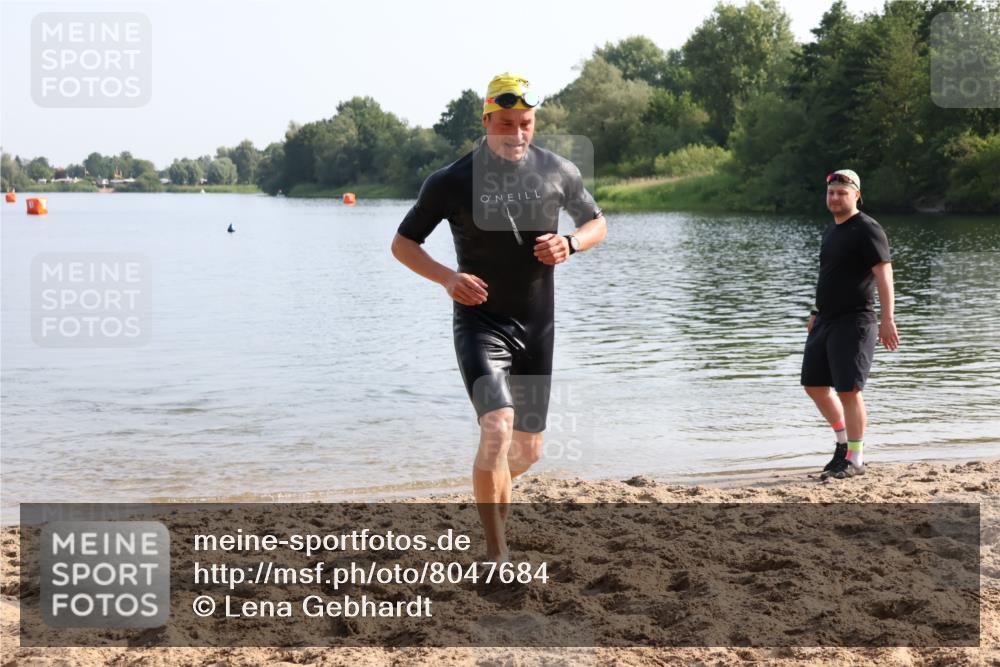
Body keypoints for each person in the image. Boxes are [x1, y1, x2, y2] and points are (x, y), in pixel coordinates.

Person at [391, 73, 607, 559]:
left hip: (537, 325)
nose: (517, 132)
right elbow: (403, 244)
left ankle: (487, 492)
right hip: (480, 322)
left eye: (526, 122)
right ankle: (496, 550)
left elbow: (597, 223)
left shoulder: (558, 170)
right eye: (506, 122)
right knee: (497, 427)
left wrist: (570, 242)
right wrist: (448, 278)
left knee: (528, 450)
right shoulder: (451, 180)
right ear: (487, 120)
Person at [801, 169, 899, 480]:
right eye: (831, 193)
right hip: (826, 319)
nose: (835, 198)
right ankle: (843, 444)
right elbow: (830, 275)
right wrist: (816, 311)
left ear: (856, 194)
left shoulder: (867, 229)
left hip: (856, 320)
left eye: (842, 192)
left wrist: (887, 319)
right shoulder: (832, 230)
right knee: (814, 385)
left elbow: (884, 276)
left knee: (849, 390)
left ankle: (855, 459)